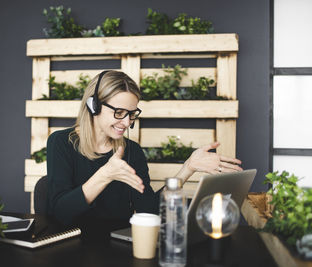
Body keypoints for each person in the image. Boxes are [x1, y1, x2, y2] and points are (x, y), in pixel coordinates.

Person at [46, 70, 242, 228]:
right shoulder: (61, 142)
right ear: (93, 106)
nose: (126, 122)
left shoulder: (132, 151)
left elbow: (149, 210)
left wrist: (188, 168)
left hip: (117, 250)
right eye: (119, 112)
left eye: (131, 114)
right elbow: (60, 213)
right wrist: (105, 175)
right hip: (70, 247)